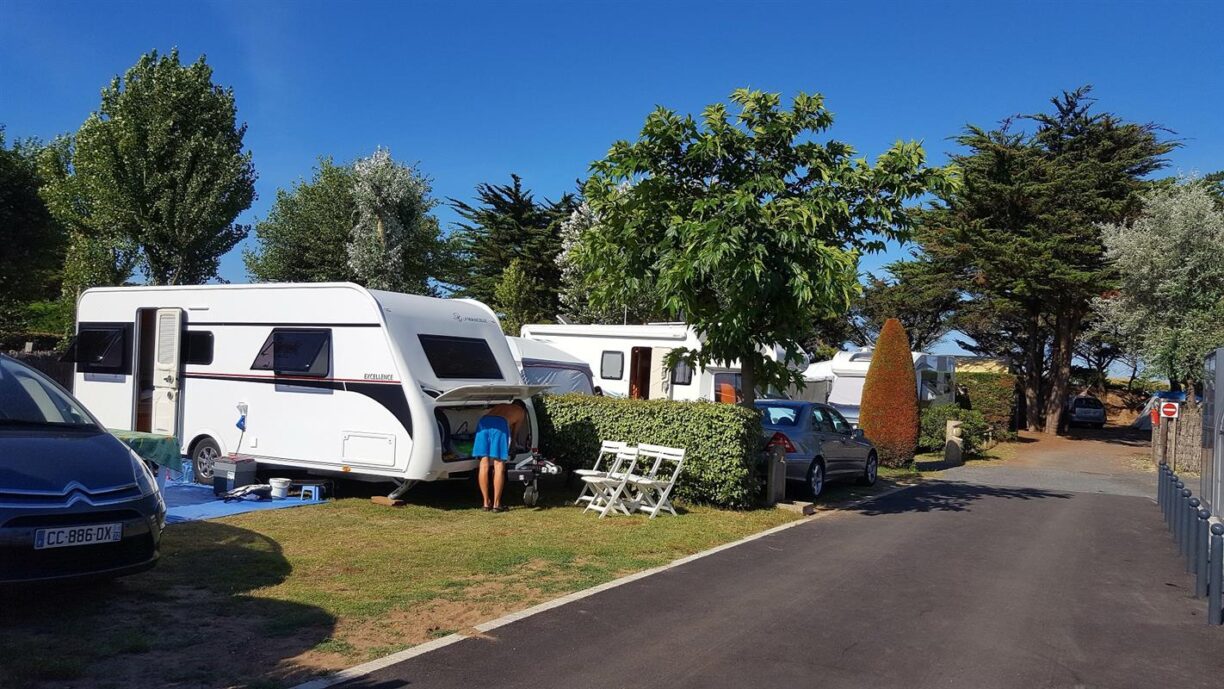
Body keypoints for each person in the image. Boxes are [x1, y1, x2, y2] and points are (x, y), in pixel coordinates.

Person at [474, 403, 527, 512]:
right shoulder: (521, 412)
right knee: (498, 465)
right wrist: (512, 447)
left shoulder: (502, 405)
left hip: (483, 421)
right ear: (523, 407)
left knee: (483, 465)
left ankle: (485, 503)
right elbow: (514, 433)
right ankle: (496, 504)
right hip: (500, 423)